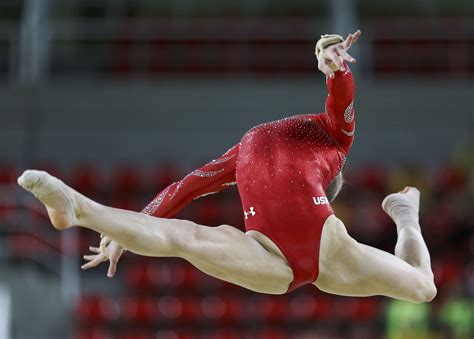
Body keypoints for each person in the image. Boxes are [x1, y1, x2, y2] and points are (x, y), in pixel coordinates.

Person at [17, 30, 437, 302]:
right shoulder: (335, 140)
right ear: (332, 182)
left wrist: (336, 67)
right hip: (276, 259)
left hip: (304, 255)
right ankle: (78, 209)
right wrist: (334, 61)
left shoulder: (255, 151)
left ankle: (407, 218)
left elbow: (185, 187)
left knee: (187, 238)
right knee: (187, 238)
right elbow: (342, 100)